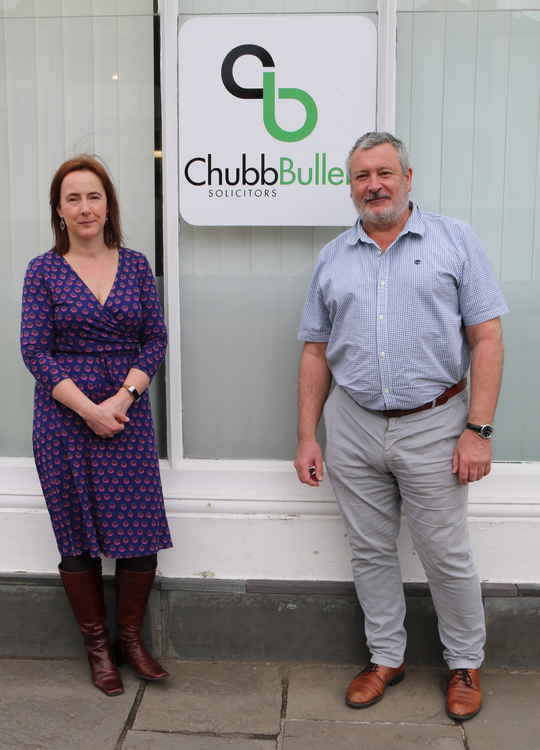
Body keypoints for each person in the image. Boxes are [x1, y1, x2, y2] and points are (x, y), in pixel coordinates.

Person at [294, 132, 508, 721]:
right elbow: (315, 351)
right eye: (362, 176)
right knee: (369, 550)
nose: (375, 185)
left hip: (436, 424)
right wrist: (309, 435)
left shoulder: (455, 241)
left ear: (407, 178)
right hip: (354, 423)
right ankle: (386, 656)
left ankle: (465, 662)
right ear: (351, 186)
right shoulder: (334, 255)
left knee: (445, 553)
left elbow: (487, 340)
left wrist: (478, 430)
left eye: (385, 173)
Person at [20, 155, 172, 697]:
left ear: (109, 205)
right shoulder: (42, 270)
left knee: (138, 536)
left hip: (127, 413)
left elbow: (155, 339)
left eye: (94, 196)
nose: (85, 208)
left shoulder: (134, 265)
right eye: (73, 198)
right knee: (76, 538)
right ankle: (97, 648)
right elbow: (34, 351)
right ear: (58, 211)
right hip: (64, 418)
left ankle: (130, 640)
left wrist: (124, 396)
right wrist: (88, 408)